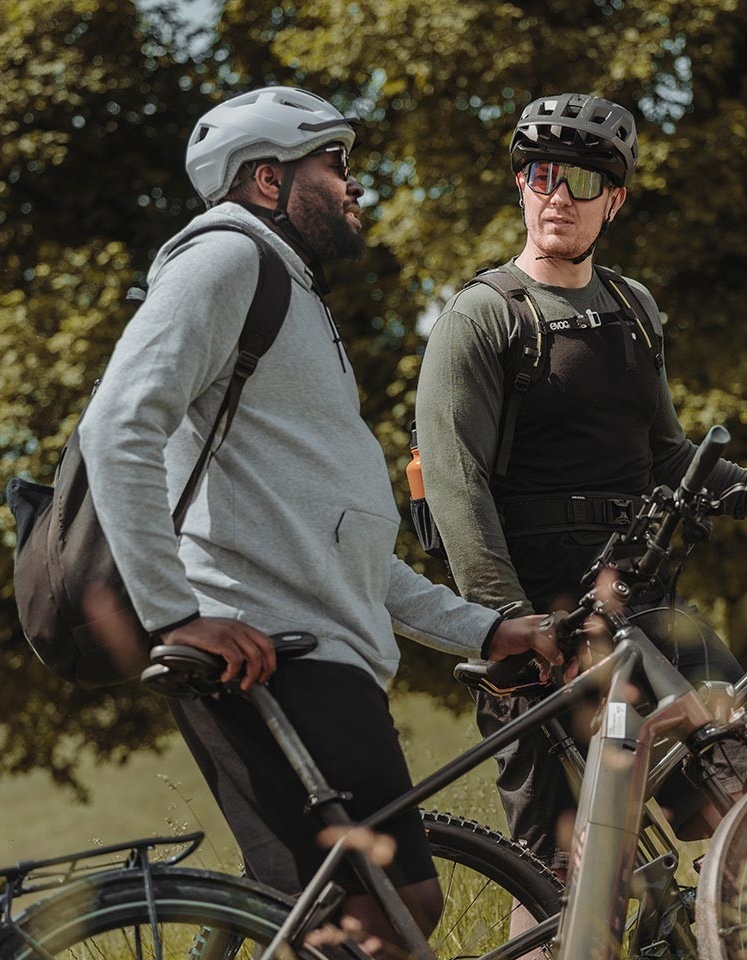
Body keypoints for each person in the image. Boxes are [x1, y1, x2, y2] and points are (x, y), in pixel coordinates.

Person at [77, 85, 562, 949]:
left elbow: (355, 549)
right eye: (334, 164)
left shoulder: (291, 292)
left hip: (321, 655)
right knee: (372, 920)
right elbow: (117, 424)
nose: (354, 184)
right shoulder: (225, 261)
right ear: (268, 179)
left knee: (401, 908)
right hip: (270, 656)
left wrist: (486, 631)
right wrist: (177, 615)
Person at [414, 92, 747, 872]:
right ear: (519, 185)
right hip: (544, 625)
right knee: (558, 871)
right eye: (541, 174)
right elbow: (456, 486)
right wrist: (510, 626)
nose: (557, 196)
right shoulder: (483, 317)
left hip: (641, 606)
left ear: (613, 200)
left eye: (580, 181)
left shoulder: (633, 307)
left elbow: (672, 460)